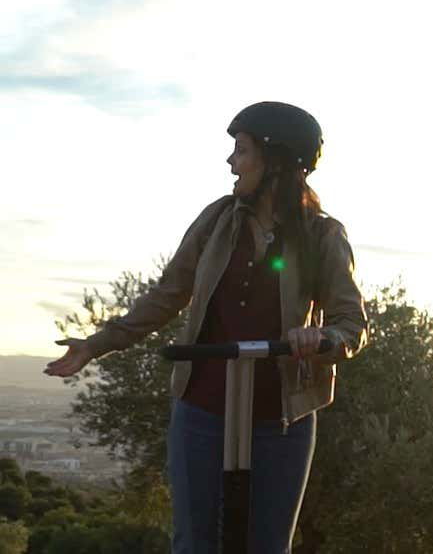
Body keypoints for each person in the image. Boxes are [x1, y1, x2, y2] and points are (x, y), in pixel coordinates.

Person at [44, 101, 367, 553]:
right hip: (202, 407)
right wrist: (97, 344)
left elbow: (351, 323)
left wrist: (324, 338)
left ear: (276, 161)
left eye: (242, 150)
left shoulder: (323, 235)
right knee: (194, 543)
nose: (231, 162)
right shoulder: (216, 220)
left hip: (281, 416)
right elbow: (167, 294)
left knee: (267, 546)